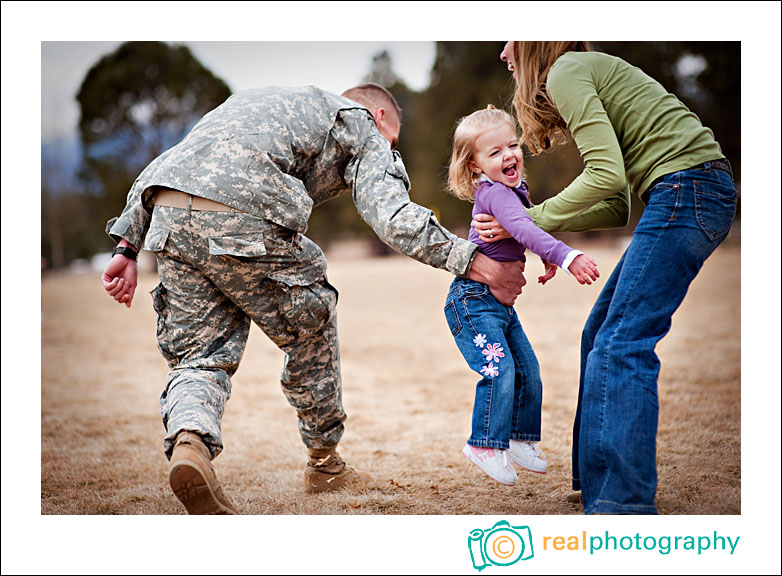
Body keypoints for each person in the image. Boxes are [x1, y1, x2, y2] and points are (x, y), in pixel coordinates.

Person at [101, 83, 527, 514]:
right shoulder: (361, 124)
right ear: (379, 118)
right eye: (390, 143)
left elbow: (170, 161)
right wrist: (478, 264)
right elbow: (393, 217)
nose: (386, 150)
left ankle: (190, 443)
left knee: (199, 357)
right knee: (312, 318)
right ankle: (325, 463)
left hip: (168, 219)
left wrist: (126, 245)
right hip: (246, 213)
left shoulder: (252, 102)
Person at [474, 42, 737, 514]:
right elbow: (617, 204)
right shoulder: (578, 73)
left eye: (510, 37)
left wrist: (529, 221)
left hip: (687, 188)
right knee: (600, 333)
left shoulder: (567, 71)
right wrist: (537, 223)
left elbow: (607, 176)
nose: (503, 52)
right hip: (687, 190)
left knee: (621, 344)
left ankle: (622, 505)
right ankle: (594, 481)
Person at [444, 106, 599, 486]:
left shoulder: (513, 191)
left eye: (512, 145)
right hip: (473, 300)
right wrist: (566, 256)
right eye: (494, 152)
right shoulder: (494, 193)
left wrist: (544, 257)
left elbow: (525, 232)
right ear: (474, 167)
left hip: (497, 304)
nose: (509, 155)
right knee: (500, 369)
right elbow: (525, 230)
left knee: (528, 370)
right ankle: (483, 443)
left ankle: (518, 437)